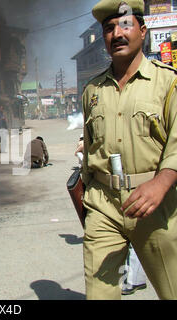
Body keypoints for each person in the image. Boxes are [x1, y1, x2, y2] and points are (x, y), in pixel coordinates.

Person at [82, 0, 177, 300]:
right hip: (104, 207)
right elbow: (88, 153)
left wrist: (162, 182)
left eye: (125, 25)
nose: (116, 34)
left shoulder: (168, 82)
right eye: (108, 29)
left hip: (156, 207)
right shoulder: (92, 92)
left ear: (143, 30)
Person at [75, 133, 148, 296]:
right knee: (99, 285)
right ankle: (134, 279)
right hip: (104, 195)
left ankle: (135, 278)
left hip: (147, 191)